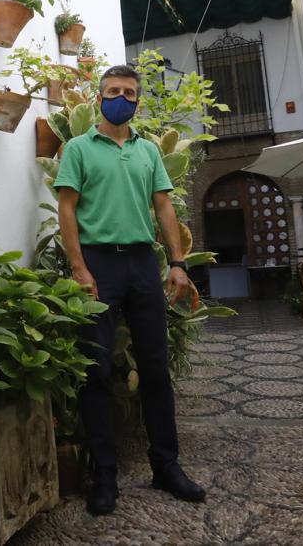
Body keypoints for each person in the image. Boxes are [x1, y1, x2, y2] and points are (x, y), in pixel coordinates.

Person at [53, 64, 206, 515]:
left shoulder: (148, 152)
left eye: (130, 92)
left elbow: (163, 207)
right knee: (97, 371)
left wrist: (177, 263)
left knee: (156, 369)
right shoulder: (78, 148)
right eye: (114, 91)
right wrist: (78, 267)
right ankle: (104, 475)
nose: (122, 97)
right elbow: (67, 209)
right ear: (98, 97)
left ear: (137, 100)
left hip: (142, 262)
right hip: (98, 264)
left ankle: (166, 466)